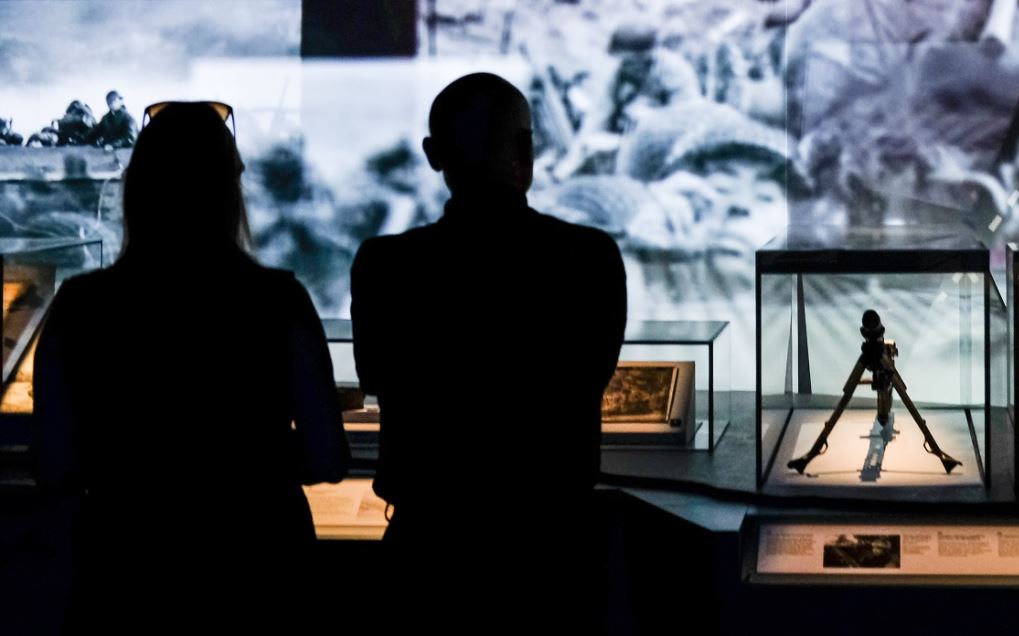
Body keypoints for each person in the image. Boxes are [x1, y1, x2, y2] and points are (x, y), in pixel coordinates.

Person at [31, 102, 349, 629]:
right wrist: (246, 459)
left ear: (139, 188)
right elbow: (328, 458)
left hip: (126, 574)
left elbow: (54, 466)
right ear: (229, 187)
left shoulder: (80, 305)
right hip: (259, 572)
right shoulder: (279, 301)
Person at [349, 73, 626, 625]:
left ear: (433, 155)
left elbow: (375, 374)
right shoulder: (589, 259)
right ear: (526, 150)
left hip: (429, 549)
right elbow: (589, 376)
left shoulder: (384, 266)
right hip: (552, 551)